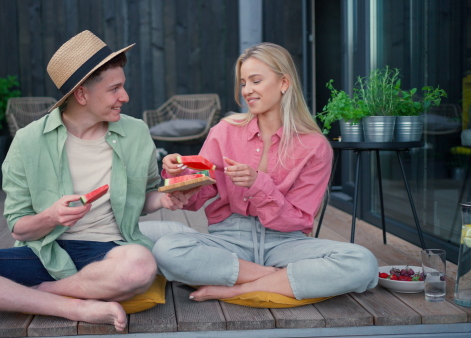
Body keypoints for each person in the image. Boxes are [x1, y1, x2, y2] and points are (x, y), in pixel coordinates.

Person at [0, 30, 195, 332]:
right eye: (114, 89)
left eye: (123, 87)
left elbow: (145, 196)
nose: (124, 97)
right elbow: (18, 226)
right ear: (81, 94)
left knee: (141, 264)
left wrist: (164, 198)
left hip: (110, 252)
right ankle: (72, 305)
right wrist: (51, 216)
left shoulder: (136, 132)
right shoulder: (28, 141)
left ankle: (45, 293)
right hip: (44, 253)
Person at [153, 42, 378, 302]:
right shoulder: (225, 131)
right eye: (244, 83)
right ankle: (274, 278)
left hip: (286, 243)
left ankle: (238, 288)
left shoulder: (314, 147)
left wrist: (259, 184)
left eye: (256, 81)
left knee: (362, 262)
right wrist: (178, 175)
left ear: (284, 83)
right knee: (167, 249)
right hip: (229, 240)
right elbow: (195, 199)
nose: (247, 90)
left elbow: (299, 220)